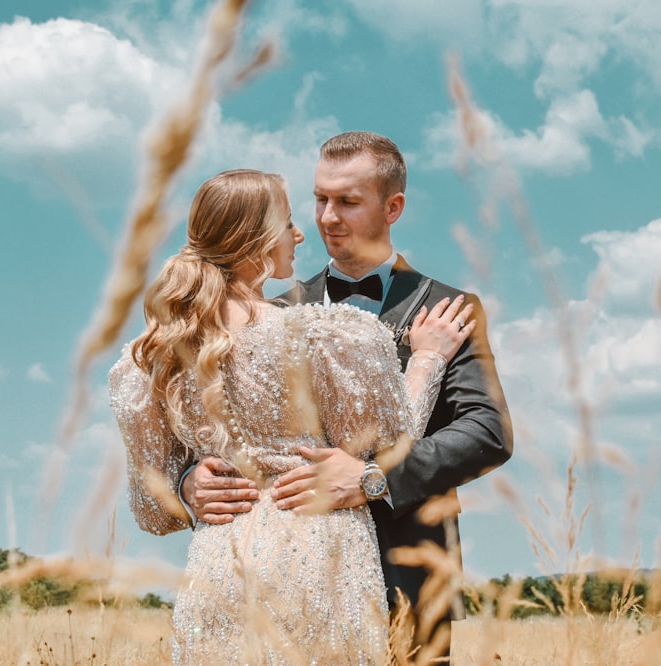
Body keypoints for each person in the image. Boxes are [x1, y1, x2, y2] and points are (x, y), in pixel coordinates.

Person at [109, 168, 476, 665]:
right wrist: (429, 357)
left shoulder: (154, 354)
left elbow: (151, 512)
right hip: (323, 557)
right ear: (254, 239)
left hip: (221, 570)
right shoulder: (326, 336)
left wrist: (185, 486)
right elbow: (391, 445)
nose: (300, 233)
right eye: (286, 223)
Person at [183, 132, 514, 657]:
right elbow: (207, 427)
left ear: (393, 207)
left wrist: (372, 480)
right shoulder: (270, 310)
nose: (327, 218)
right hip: (293, 578)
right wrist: (189, 481)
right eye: (320, 199)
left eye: (347, 202)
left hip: (411, 573)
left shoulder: (449, 307)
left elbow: (486, 432)